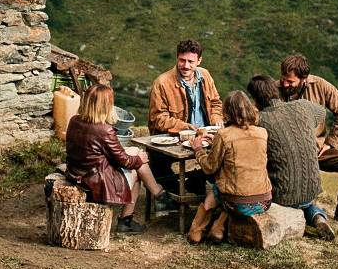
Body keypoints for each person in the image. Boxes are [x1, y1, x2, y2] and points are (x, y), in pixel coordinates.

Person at [64, 83, 171, 234]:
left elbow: (100, 152)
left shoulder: (75, 120)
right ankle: (154, 199)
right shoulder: (104, 130)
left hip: (78, 171)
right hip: (94, 180)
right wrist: (139, 158)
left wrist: (135, 154)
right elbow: (125, 162)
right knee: (137, 168)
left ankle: (159, 198)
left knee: (134, 151)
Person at [278, 54, 338, 226]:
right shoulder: (274, 88)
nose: (285, 84)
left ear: (304, 79)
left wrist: (331, 142)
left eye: (290, 81)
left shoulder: (320, 86)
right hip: (283, 152)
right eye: (283, 79)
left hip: (315, 149)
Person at [246, 74, 335, 240]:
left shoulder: (259, 121)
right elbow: (322, 113)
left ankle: (307, 214)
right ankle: (318, 217)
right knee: (306, 203)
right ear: (276, 91)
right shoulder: (302, 106)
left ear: (255, 100)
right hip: (312, 188)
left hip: (282, 195)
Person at [186, 90, 271, 244]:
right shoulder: (262, 132)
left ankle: (196, 232)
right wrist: (216, 143)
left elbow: (209, 167)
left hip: (236, 203)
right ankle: (218, 228)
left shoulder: (224, 135)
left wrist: (198, 149)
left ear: (227, 112)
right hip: (263, 201)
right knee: (235, 187)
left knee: (216, 190)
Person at [148, 37, 225, 134]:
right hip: (175, 139)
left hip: (206, 136)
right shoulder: (162, 83)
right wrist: (184, 127)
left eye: (191, 61)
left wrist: (216, 118)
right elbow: (157, 119)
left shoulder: (205, 75)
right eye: (182, 60)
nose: (186, 66)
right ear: (177, 58)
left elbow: (216, 103)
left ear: (199, 61)